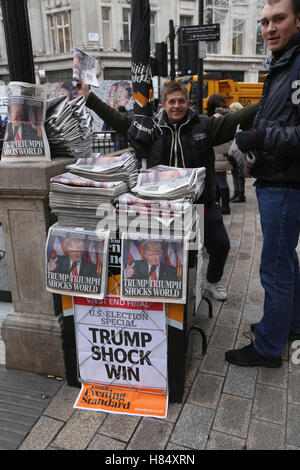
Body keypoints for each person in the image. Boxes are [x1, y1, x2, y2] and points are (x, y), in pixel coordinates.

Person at [77, 79, 258, 300]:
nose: (176, 106)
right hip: (166, 209)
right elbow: (121, 121)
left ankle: (213, 281)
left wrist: (267, 100)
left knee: (220, 245)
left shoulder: (203, 125)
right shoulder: (151, 128)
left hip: (202, 203)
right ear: (163, 104)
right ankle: (183, 289)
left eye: (181, 101)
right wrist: (91, 99)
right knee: (183, 253)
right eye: (171, 101)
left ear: (187, 102)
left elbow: (235, 119)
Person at [225, 0, 300, 368]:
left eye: (278, 19)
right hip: (278, 179)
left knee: (274, 268)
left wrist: (258, 137)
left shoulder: (296, 65)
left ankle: (269, 347)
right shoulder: (283, 63)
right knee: (286, 261)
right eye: (264, 21)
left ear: (298, 20)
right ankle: (289, 325)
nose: (269, 28)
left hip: (285, 185)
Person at [207, 94, 233, 215]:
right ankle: (220, 204)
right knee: (220, 180)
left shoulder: (215, 118)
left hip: (217, 154)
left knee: (220, 181)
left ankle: (225, 206)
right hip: (226, 152)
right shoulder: (229, 115)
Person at [229, 102, 246, 203]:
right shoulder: (233, 122)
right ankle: (236, 192)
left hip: (239, 150)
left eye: (232, 111)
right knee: (234, 172)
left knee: (239, 173)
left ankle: (241, 194)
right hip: (234, 150)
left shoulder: (241, 122)